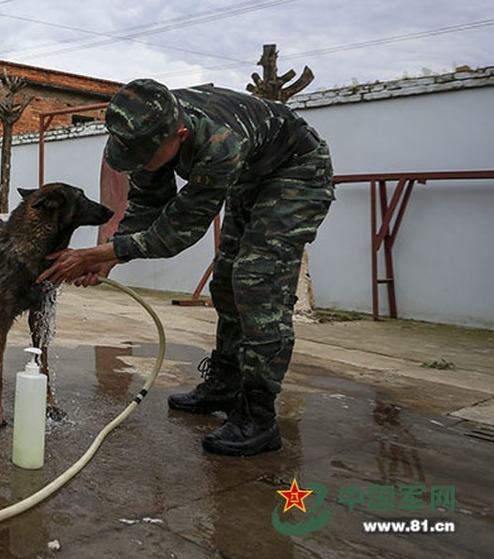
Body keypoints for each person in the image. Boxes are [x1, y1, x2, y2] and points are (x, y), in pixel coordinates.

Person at [39, 78, 333, 457]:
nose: (140, 165)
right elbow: (146, 205)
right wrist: (109, 254)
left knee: (256, 282)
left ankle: (258, 416)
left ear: (179, 136)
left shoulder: (219, 145)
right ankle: (225, 384)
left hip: (296, 171)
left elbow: (175, 233)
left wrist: (98, 255)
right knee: (225, 280)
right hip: (250, 178)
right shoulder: (146, 128)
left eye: (145, 158)